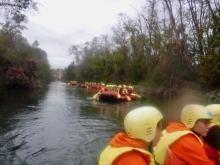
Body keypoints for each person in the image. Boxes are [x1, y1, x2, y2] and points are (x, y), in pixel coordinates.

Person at [98, 106, 163, 165]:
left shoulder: (115, 145)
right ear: (149, 132)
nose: (162, 135)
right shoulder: (135, 161)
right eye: (159, 131)